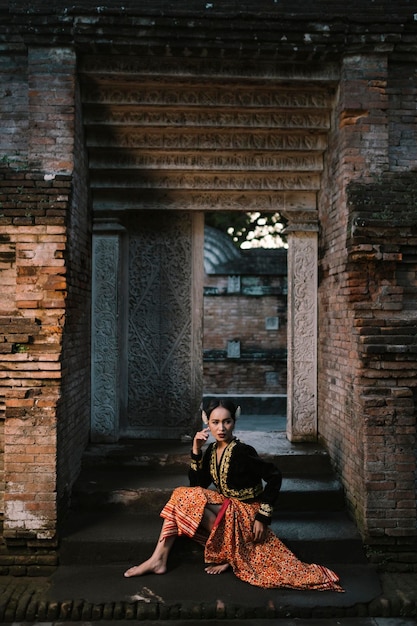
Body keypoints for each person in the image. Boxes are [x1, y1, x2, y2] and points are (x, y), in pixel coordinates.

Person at [124, 398, 343, 591]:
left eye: (227, 422)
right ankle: (159, 558)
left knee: (183, 496)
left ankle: (171, 558)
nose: (221, 428)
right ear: (206, 423)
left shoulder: (243, 451)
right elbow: (197, 485)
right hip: (228, 509)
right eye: (215, 422)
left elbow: (274, 476)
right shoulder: (210, 451)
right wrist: (196, 450)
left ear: (234, 422)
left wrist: (263, 516)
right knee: (183, 496)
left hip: (247, 513)